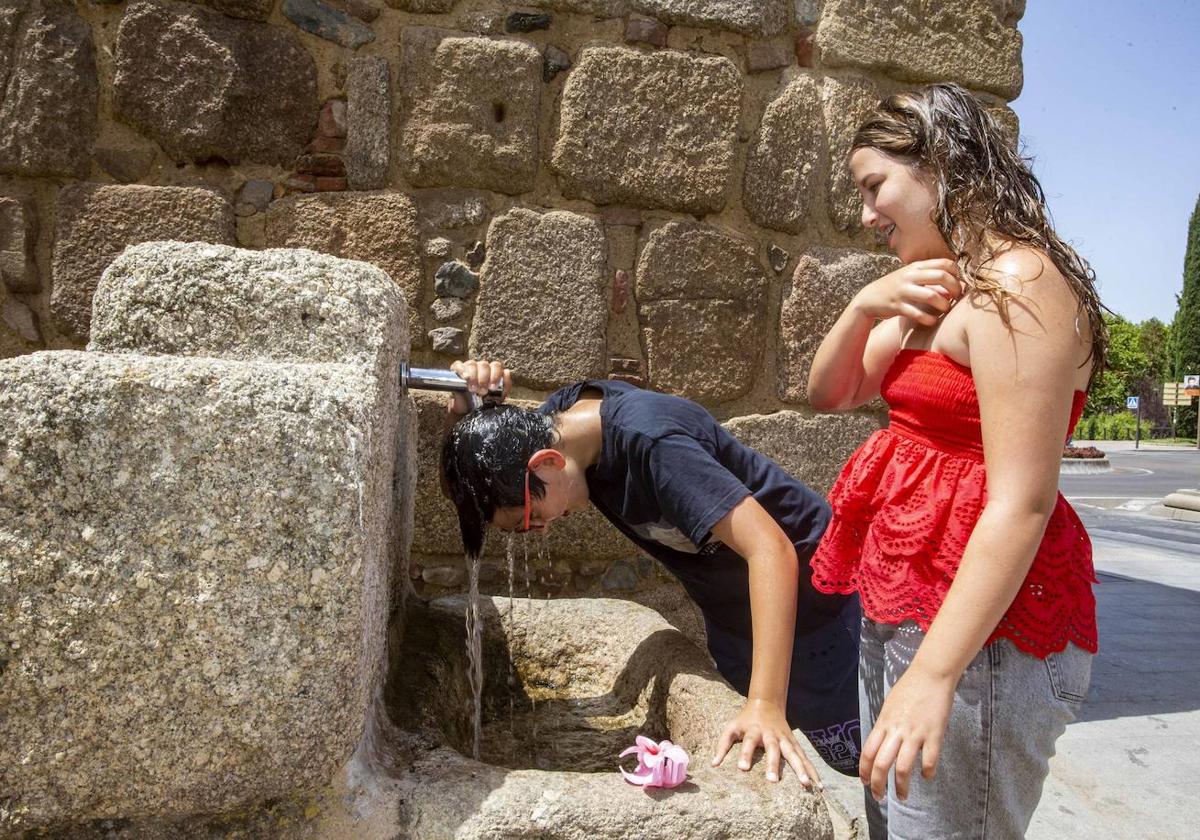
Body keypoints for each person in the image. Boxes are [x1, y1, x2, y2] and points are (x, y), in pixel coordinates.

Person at [805, 83, 1106, 838]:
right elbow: (831, 393)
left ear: (939, 165)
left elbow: (1022, 501)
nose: (867, 215)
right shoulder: (939, 292)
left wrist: (933, 675)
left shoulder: (1021, 284)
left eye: (876, 187)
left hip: (984, 641)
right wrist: (866, 304)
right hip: (910, 612)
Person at [440, 360, 862, 785]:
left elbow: (771, 550)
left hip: (823, 611)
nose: (541, 529)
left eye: (527, 519)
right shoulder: (563, 425)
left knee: (869, 768)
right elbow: (499, 445)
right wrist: (469, 409)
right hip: (740, 620)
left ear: (547, 462)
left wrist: (765, 703)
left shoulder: (653, 444)